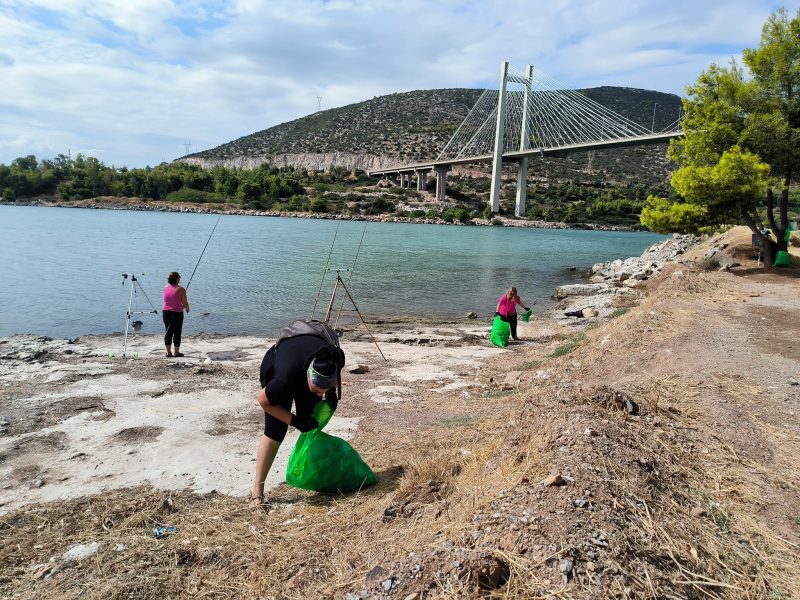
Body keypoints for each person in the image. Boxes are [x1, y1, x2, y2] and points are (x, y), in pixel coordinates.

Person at [250, 334, 345, 513]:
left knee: (311, 421)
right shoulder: (282, 380)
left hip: (307, 361)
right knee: (275, 431)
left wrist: (331, 395)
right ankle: (257, 492)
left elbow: (332, 378)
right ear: (308, 377)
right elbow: (263, 400)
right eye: (317, 391)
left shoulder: (334, 357)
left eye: (323, 391)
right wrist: (294, 420)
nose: (320, 395)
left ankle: (313, 474)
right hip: (279, 364)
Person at [162, 272, 190, 357]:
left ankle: (168, 352)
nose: (180, 279)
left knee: (168, 331)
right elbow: (185, 303)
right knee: (177, 332)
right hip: (177, 313)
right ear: (176, 279)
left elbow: (170, 299)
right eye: (179, 277)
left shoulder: (165, 287)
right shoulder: (181, 289)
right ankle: (176, 352)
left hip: (165, 312)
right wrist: (187, 308)